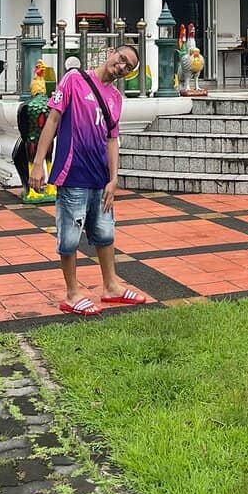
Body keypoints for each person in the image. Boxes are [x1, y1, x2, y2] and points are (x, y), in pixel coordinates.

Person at [29, 44, 149, 316]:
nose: (121, 67)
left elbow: (112, 139)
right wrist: (39, 163)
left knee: (105, 233)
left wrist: (114, 178)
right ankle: (72, 293)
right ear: (109, 53)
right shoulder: (74, 79)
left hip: (100, 177)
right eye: (120, 59)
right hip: (73, 173)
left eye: (128, 67)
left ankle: (111, 286)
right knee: (69, 236)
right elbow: (52, 119)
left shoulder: (116, 98)